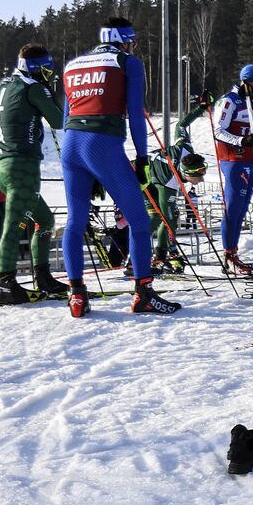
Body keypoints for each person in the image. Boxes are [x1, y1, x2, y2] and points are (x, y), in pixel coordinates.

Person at [60, 17, 180, 316]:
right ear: (125, 39)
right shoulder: (127, 62)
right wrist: (141, 158)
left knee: (76, 221)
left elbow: (66, 117)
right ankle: (143, 293)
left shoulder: (73, 64)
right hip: (104, 146)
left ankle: (76, 294)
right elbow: (136, 117)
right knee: (139, 221)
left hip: (72, 147)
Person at [0, 44, 69, 304]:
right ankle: (7, 285)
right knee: (13, 228)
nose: (49, 74)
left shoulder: (1, 86)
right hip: (22, 167)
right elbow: (59, 121)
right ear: (35, 68)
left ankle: (42, 276)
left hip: (1, 165)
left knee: (44, 221)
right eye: (46, 69)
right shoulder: (33, 87)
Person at [141, 94, 210, 273]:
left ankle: (163, 254)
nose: (202, 179)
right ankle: (150, 257)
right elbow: (168, 217)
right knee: (163, 217)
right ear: (186, 174)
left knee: (169, 217)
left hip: (153, 173)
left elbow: (181, 125)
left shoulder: (186, 148)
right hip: (145, 180)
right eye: (198, 175)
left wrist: (201, 108)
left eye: (203, 172)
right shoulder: (171, 182)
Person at [213, 64, 253, 276]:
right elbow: (218, 130)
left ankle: (233, 254)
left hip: (249, 161)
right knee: (233, 209)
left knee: (242, 210)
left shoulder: (252, 105)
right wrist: (241, 141)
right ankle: (228, 256)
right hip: (233, 160)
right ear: (247, 82)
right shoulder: (230, 100)